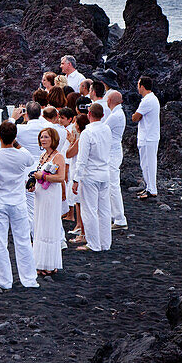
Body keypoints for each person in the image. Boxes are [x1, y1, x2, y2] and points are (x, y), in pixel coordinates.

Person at [0, 121, 39, 290]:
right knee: (23, 241)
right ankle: (29, 280)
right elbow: (28, 157)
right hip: (18, 203)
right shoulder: (22, 155)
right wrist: (15, 142)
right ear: (15, 137)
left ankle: (5, 281)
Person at [28, 127, 67, 275]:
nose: (43, 140)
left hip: (51, 195)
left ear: (53, 139)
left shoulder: (58, 156)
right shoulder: (43, 155)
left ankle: (49, 264)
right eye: (41, 137)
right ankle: (41, 262)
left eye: (46, 137)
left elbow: (61, 178)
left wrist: (42, 177)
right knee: (40, 225)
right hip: (40, 194)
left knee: (49, 225)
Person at [74, 103, 112, 252]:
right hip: (104, 173)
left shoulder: (87, 132)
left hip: (90, 175)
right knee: (104, 210)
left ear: (89, 114)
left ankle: (94, 244)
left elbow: (82, 159)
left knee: (89, 210)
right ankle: (105, 243)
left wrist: (76, 179)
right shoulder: (107, 129)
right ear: (102, 116)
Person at [132, 76, 161, 199]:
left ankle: (151, 189)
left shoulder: (147, 100)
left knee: (148, 164)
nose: (137, 87)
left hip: (148, 137)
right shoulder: (151, 99)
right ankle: (149, 188)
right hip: (150, 136)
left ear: (142, 86)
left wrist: (135, 115)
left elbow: (135, 118)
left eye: (138, 85)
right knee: (148, 163)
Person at [104, 90, 128, 229]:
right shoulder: (118, 114)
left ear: (109, 101)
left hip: (113, 153)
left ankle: (119, 218)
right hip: (114, 152)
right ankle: (115, 216)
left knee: (113, 184)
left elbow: (102, 129)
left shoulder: (115, 116)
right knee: (111, 184)